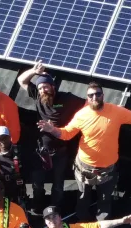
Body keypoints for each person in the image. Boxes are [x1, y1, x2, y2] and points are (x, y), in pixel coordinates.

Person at [38, 82, 131, 228]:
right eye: (91, 95)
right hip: (84, 166)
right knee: (83, 197)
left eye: (97, 94)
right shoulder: (82, 115)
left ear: (103, 95)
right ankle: (84, 224)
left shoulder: (115, 111)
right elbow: (67, 134)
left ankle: (102, 227)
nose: (94, 97)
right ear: (87, 98)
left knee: (104, 199)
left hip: (107, 168)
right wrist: (52, 130)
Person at [17, 62, 85, 212]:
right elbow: (21, 80)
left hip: (60, 150)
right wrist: (34, 71)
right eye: (40, 88)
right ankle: (38, 205)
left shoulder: (66, 98)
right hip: (41, 150)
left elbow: (88, 104)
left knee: (58, 183)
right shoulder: (37, 95)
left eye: (45, 87)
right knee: (37, 182)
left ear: (53, 87)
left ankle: (55, 207)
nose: (42, 90)